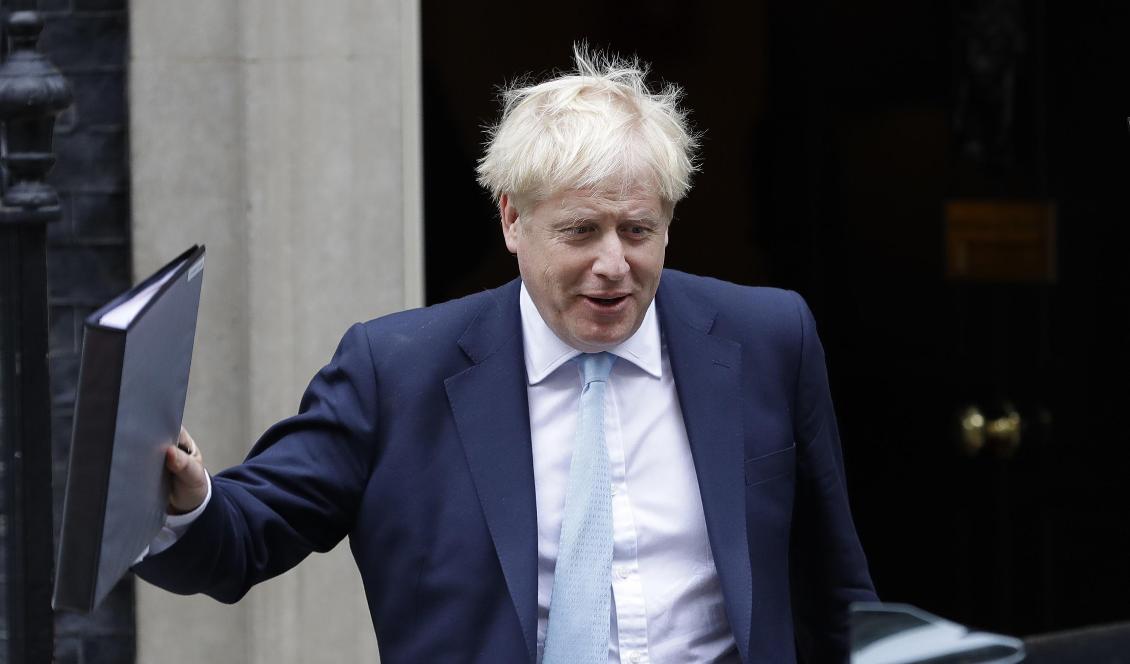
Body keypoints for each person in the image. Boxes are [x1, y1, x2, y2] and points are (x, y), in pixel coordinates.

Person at [135, 47, 877, 663]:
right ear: (513, 219)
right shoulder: (393, 371)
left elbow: (838, 595)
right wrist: (183, 499)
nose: (614, 263)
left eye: (638, 230)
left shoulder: (768, 338)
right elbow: (240, 542)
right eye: (582, 231)